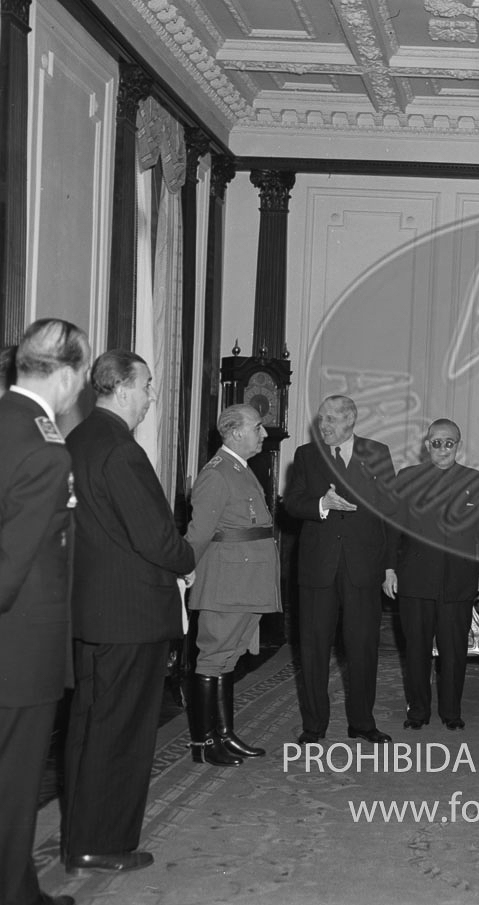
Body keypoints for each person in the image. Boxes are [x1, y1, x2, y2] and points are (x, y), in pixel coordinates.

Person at [63, 351, 196, 875]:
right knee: (122, 734)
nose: (150, 397)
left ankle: (81, 838)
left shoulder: (77, 441)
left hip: (92, 613)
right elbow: (156, 537)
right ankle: (105, 843)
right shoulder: (121, 448)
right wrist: (188, 558)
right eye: (147, 386)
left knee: (89, 728)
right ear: (121, 389)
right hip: (131, 615)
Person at [0, 318, 90, 905]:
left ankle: (21, 886)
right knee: (14, 782)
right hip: (20, 646)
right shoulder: (45, 450)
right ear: (64, 375)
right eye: (80, 376)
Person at [285, 396, 395, 745]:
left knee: (363, 647)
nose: (324, 426)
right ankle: (314, 725)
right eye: (321, 419)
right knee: (313, 647)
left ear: (351, 420)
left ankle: (362, 722)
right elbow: (292, 503)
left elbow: (390, 512)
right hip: (318, 567)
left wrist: (390, 565)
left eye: (331, 419)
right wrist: (322, 503)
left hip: (363, 567)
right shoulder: (306, 455)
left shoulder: (377, 453)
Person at [185, 404, 281, 766]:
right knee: (213, 658)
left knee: (228, 657)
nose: (264, 433)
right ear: (236, 432)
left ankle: (224, 734)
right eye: (257, 427)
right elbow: (199, 533)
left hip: (246, 579)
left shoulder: (239, 468)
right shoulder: (217, 473)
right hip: (228, 582)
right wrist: (184, 568)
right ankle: (204, 742)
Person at [383, 419, 479, 730]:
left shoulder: (476, 480)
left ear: (458, 445)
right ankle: (417, 712)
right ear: (426, 445)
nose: (442, 449)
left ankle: (451, 713)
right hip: (415, 580)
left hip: (459, 581)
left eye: (448, 443)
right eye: (436, 442)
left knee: (454, 652)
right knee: (416, 650)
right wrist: (389, 569)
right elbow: (393, 528)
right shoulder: (407, 477)